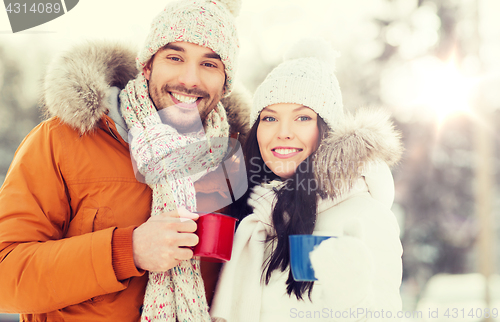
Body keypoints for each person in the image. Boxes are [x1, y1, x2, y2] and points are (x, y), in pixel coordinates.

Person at [0, 0, 250, 321]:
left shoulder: (233, 160)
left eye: (210, 64)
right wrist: (126, 250)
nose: (190, 79)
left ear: (225, 83)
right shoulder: (61, 140)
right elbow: (6, 276)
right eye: (174, 57)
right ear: (146, 66)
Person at [210, 38, 404, 322]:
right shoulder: (254, 215)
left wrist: (352, 299)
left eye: (302, 118)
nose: (284, 132)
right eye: (270, 118)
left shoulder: (365, 214)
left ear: (326, 130)